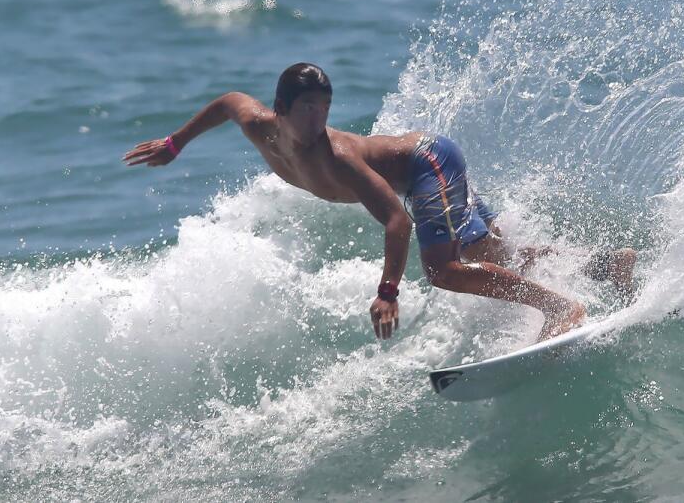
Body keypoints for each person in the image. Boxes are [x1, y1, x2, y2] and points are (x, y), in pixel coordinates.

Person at [123, 62, 636, 341]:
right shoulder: (258, 124)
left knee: (446, 270)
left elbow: (396, 222)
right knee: (493, 260)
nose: (317, 120)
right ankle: (606, 266)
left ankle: (559, 306)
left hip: (427, 165)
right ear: (280, 109)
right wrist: (175, 143)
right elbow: (226, 101)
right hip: (428, 168)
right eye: (306, 110)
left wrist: (388, 290)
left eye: (324, 108)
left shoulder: (338, 158)